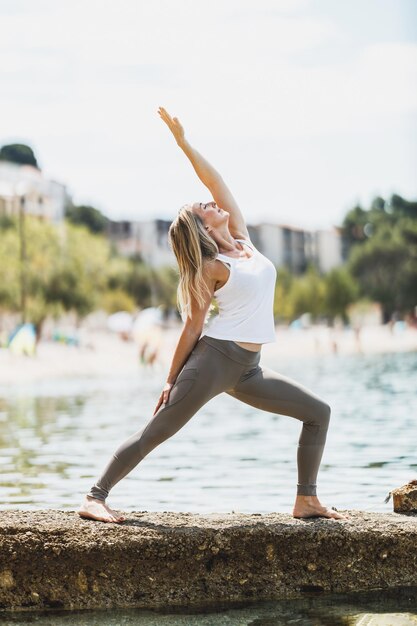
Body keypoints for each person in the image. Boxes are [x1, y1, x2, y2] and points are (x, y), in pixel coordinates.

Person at [77, 107, 349, 523]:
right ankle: (95, 496)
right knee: (158, 431)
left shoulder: (243, 240)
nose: (210, 200)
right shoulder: (213, 267)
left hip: (248, 369)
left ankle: (306, 500)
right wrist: (171, 379)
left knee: (318, 412)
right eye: (202, 206)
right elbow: (193, 326)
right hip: (213, 362)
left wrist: (184, 144)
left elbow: (215, 180)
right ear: (201, 228)